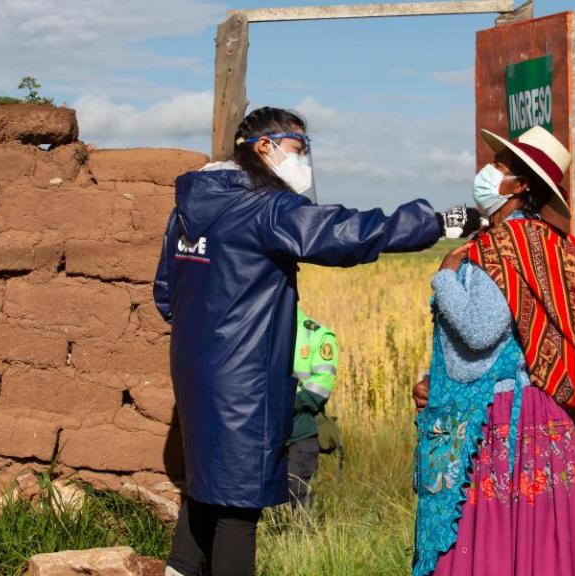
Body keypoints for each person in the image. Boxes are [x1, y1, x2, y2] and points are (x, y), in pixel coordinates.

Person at [153, 106, 481, 576]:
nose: (303, 159)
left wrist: (207, 334)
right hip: (244, 378)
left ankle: (180, 568)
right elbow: (346, 233)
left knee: (207, 486)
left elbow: (166, 293)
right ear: (265, 146)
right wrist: (437, 223)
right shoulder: (265, 208)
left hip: (194, 371)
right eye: (298, 148)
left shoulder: (188, 208)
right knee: (238, 506)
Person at [412, 126, 575, 576]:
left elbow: (480, 330)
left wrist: (446, 276)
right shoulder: (543, 245)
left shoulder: (502, 248)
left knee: (486, 545)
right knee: (532, 549)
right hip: (540, 417)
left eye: (499, 167)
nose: (486, 173)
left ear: (521, 185)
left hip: (503, 420)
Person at [287, 307, 338, 509]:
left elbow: (320, 389)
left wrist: (281, 404)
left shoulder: (317, 335)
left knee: (296, 490)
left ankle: (301, 539)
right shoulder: (257, 329)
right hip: (260, 430)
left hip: (300, 428)